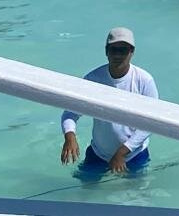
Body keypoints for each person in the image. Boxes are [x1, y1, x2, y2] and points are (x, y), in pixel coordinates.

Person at [61, 27, 158, 177]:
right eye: (114, 50)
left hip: (134, 154)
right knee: (85, 191)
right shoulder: (93, 79)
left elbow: (151, 123)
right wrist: (70, 137)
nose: (118, 55)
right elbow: (70, 113)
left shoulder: (144, 81)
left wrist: (122, 153)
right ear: (106, 52)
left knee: (135, 197)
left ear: (132, 52)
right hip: (99, 153)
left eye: (123, 50)